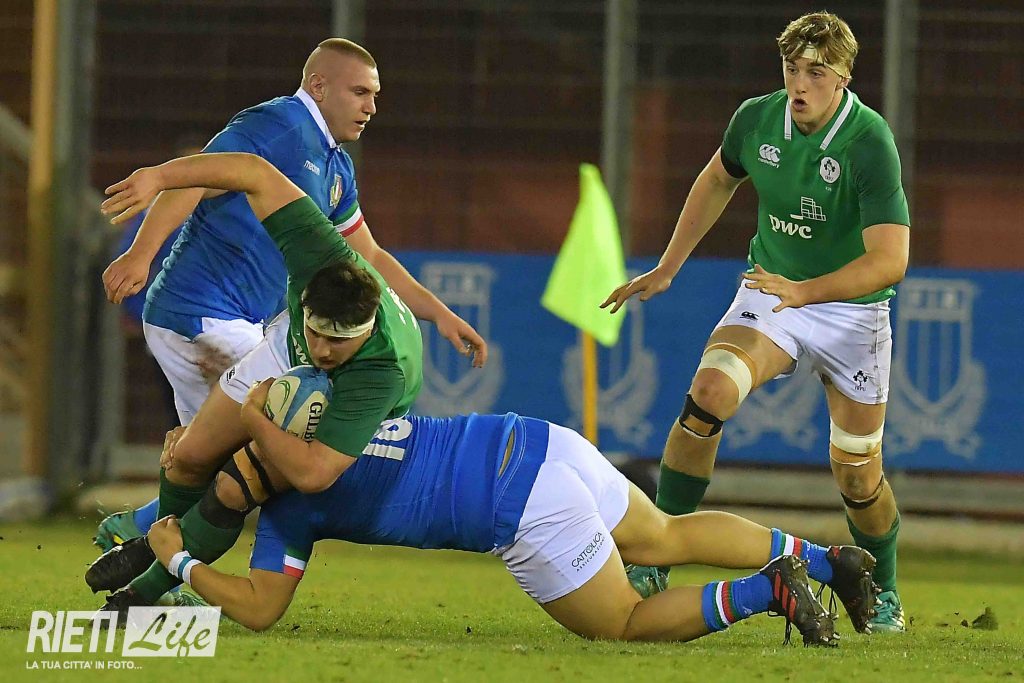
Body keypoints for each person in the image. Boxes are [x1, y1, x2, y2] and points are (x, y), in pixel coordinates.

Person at [96, 38, 487, 549]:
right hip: (197, 314)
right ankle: (166, 550)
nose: (371, 107)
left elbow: (368, 256)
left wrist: (439, 314)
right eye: (359, 92)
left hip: (237, 320)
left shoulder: (336, 167)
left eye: (375, 95)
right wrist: (141, 253)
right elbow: (198, 177)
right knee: (289, 418)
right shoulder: (279, 125)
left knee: (220, 461)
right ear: (318, 86)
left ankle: (144, 536)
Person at [602, 11, 909, 633]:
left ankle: (884, 590)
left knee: (858, 473)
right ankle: (655, 553)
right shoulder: (756, 119)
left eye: (816, 72)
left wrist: (807, 292)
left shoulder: (868, 141)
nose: (800, 84)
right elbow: (718, 178)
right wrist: (667, 267)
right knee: (709, 392)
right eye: (792, 69)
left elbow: (890, 261)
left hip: (852, 312)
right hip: (772, 290)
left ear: (843, 78)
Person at [142, 407, 880, 644]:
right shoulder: (330, 406)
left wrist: (180, 562)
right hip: (536, 439)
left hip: (521, 504)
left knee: (623, 622)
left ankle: (769, 590)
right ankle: (827, 559)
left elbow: (261, 610)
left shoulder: (288, 509)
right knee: (666, 535)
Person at [88, 148, 424, 614]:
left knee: (237, 485)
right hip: (283, 350)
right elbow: (252, 169)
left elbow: (313, 474)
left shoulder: (379, 375)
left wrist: (254, 418)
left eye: (338, 341)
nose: (324, 350)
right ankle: (154, 539)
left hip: (346, 403)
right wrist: (160, 177)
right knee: (187, 457)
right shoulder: (315, 249)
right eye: (317, 332)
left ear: (364, 331)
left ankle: (145, 587)